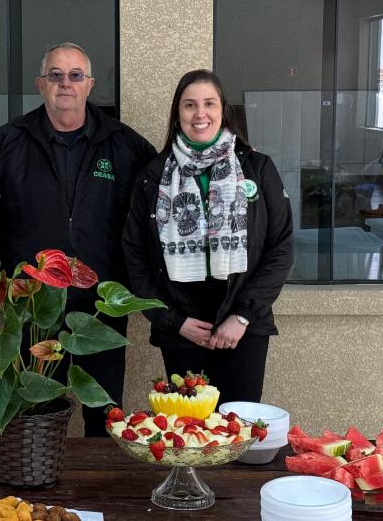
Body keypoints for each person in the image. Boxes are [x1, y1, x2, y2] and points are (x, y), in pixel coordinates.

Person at [0, 42, 155, 436]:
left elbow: (165, 192)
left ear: (90, 85)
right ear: (40, 84)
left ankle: (100, 495)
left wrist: (233, 155)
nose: (65, 83)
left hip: (100, 307)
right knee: (31, 415)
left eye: (74, 76)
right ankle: (31, 488)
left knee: (104, 416)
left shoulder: (124, 145)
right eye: (55, 75)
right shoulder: (10, 141)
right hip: (32, 305)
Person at [122, 69, 293, 404]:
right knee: (188, 435)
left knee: (239, 429)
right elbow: (135, 257)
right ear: (177, 115)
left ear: (222, 111)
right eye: (189, 105)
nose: (200, 114)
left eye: (209, 104)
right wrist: (174, 322)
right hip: (182, 332)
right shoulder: (152, 177)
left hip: (244, 326)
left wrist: (242, 315)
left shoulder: (258, 167)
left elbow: (280, 248)